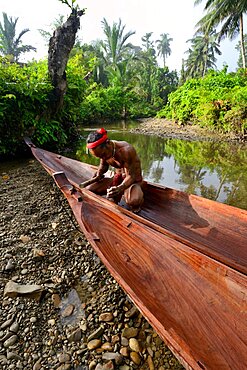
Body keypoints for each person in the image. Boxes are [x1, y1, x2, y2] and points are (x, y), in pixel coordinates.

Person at [85, 128, 145, 212]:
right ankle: (116, 195)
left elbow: (131, 177)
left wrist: (120, 188)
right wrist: (99, 174)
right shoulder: (104, 152)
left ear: (108, 143)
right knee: (89, 189)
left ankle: (136, 196)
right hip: (117, 179)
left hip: (132, 181)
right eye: (100, 157)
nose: (103, 158)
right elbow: (103, 166)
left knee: (134, 201)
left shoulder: (126, 150)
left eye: (103, 155)